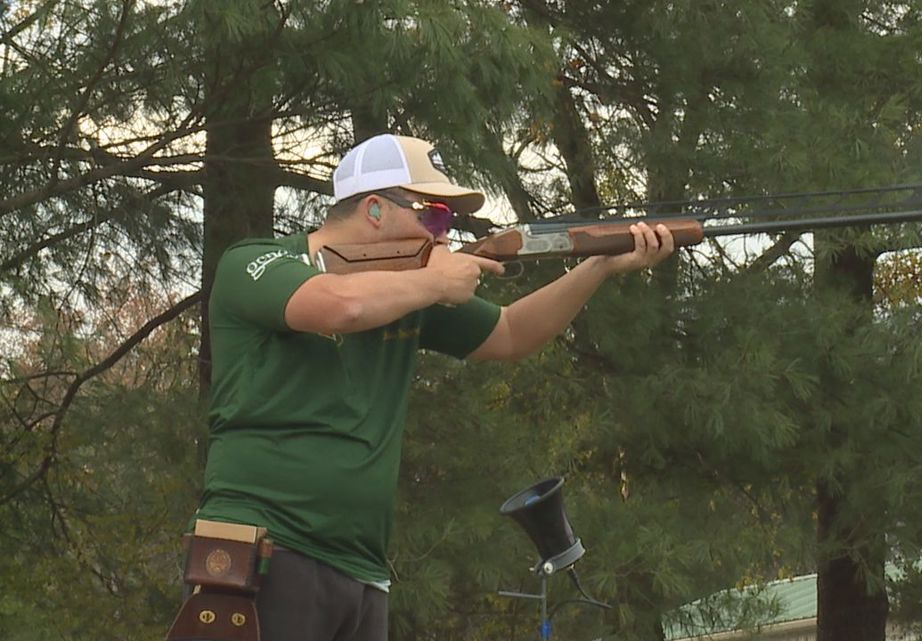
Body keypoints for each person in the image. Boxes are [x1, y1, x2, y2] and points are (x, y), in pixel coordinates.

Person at [187, 133, 675, 641]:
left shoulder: (409, 292)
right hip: (264, 554)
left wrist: (599, 265)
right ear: (375, 209)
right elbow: (341, 306)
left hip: (363, 571)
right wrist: (438, 283)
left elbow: (510, 333)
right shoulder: (253, 263)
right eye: (434, 215)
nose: (445, 235)